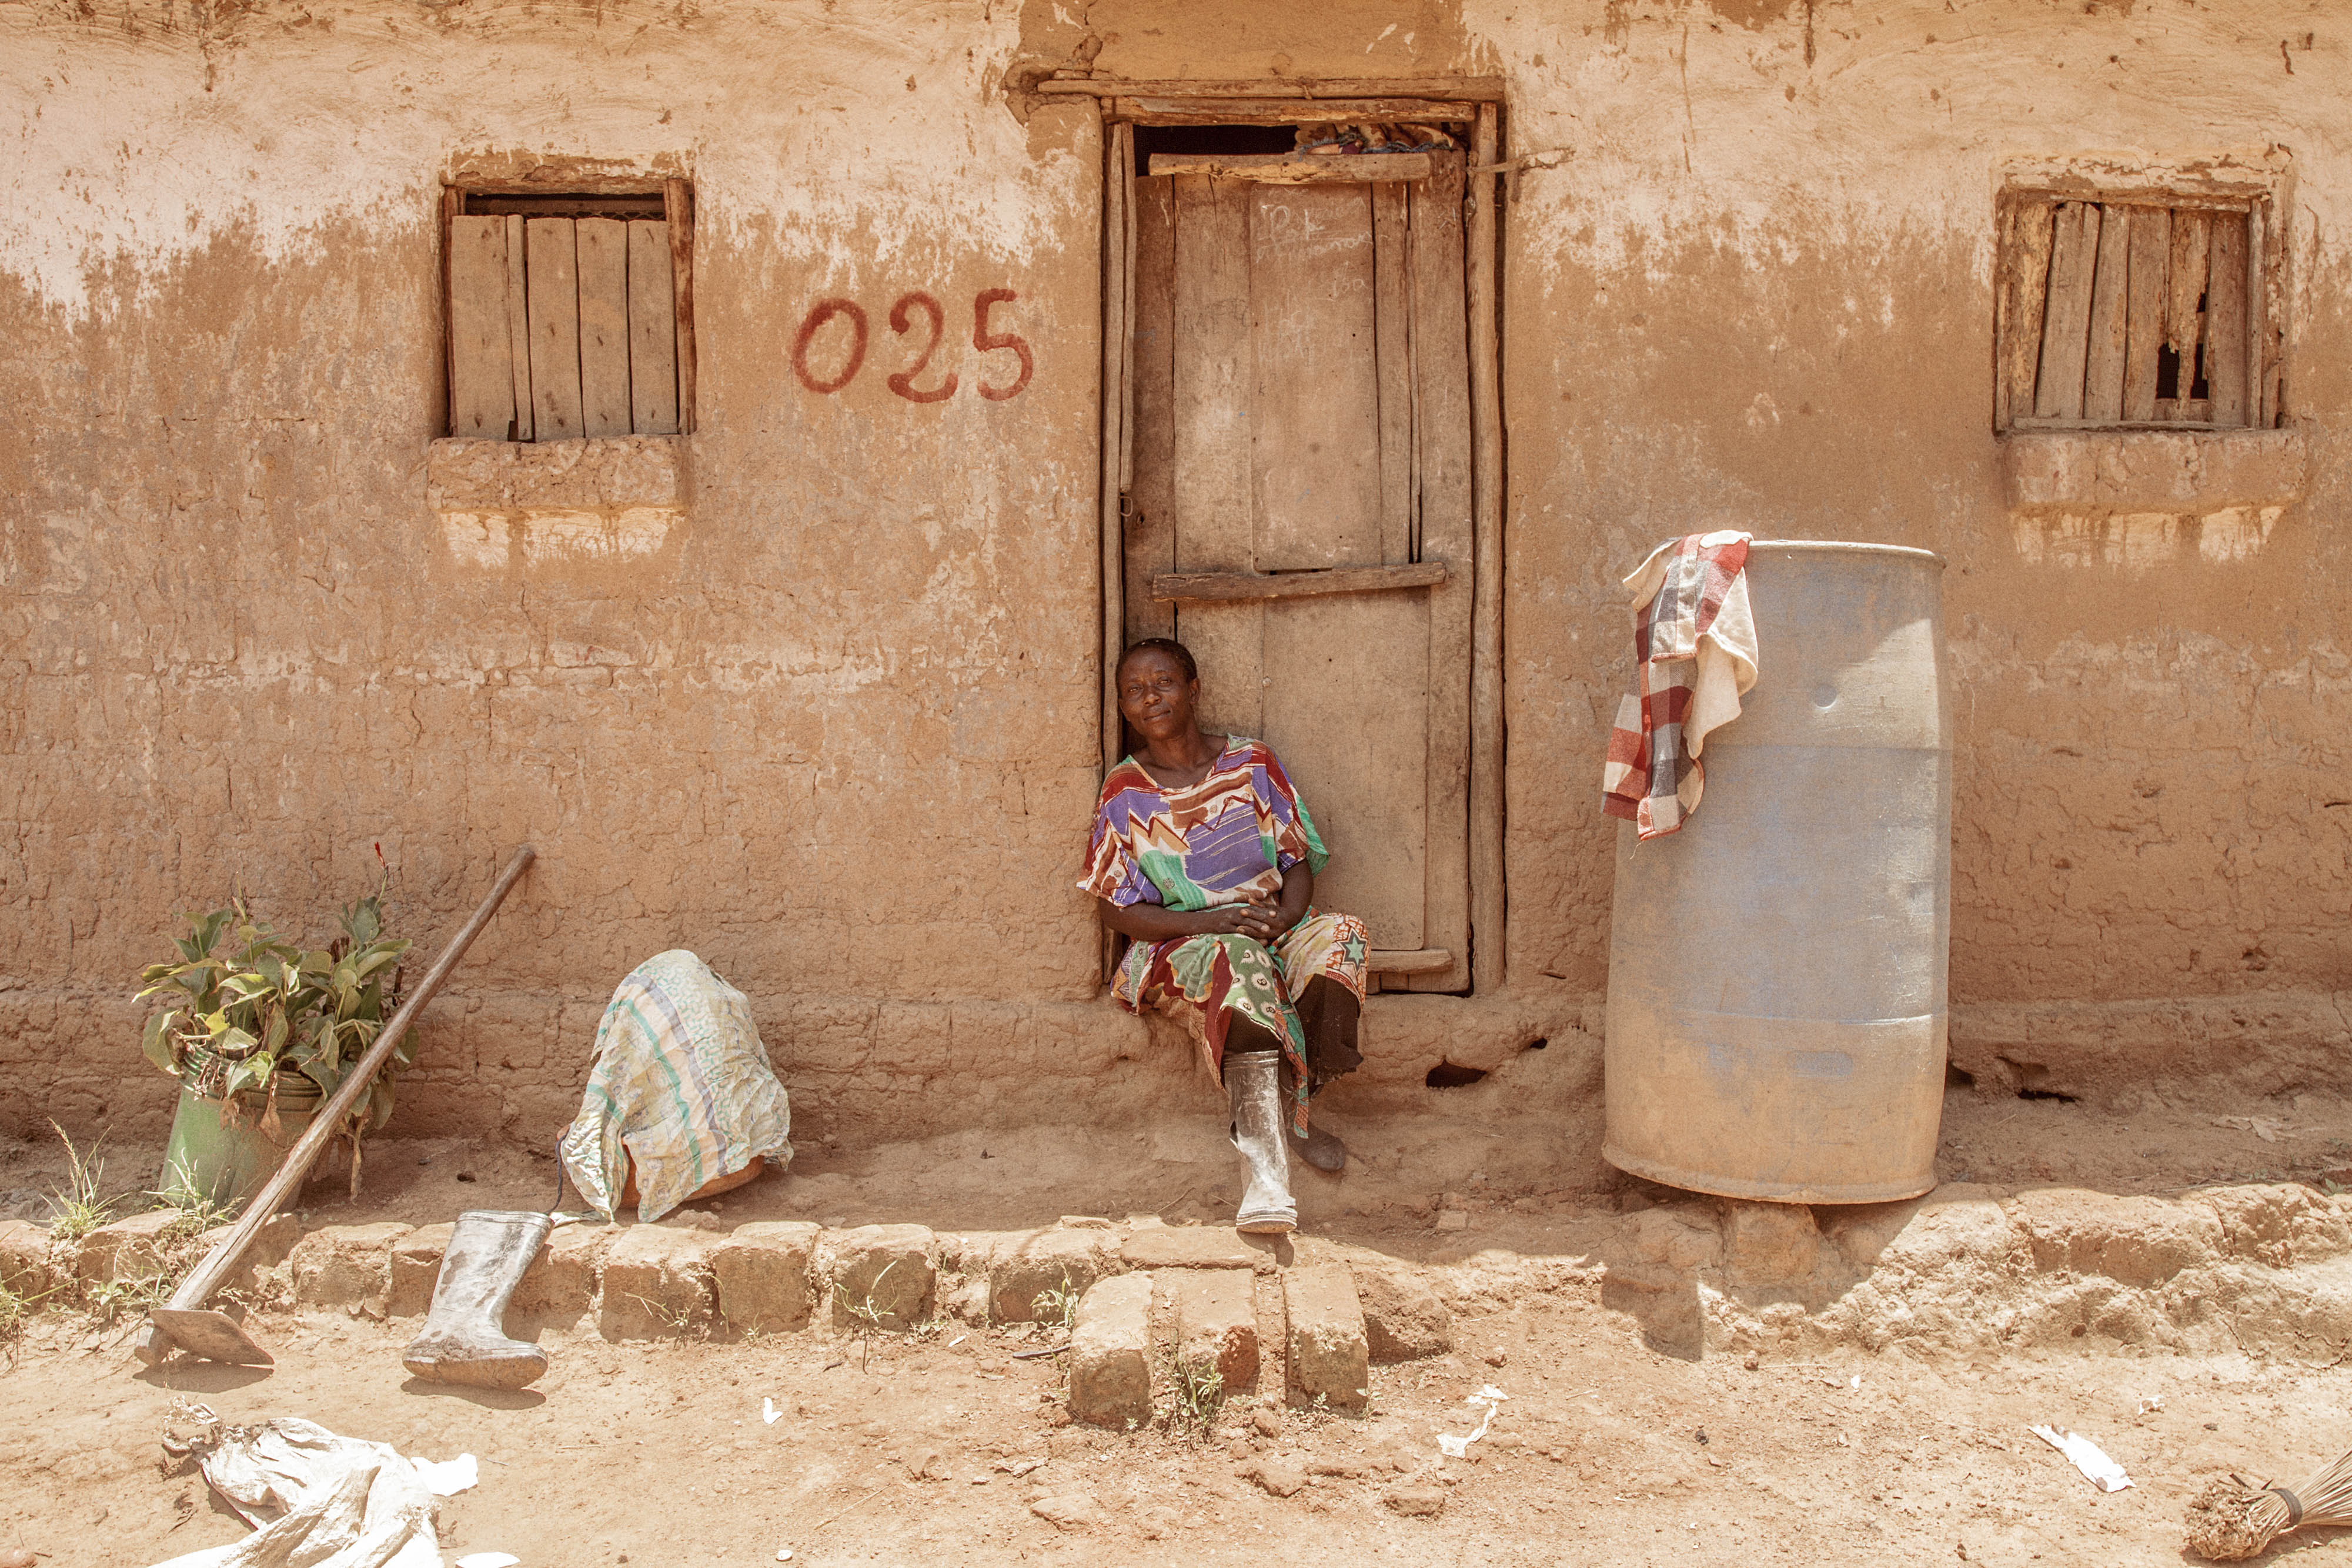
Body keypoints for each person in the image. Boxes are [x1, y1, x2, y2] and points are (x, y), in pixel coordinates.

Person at [1080, 637, 1370, 1233]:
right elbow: (1115, 909)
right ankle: (1266, 1175)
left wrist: (1287, 919)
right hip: (1179, 943)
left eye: (1162, 683)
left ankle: (1297, 1107)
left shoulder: (1252, 764)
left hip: (1266, 926)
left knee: (1340, 936)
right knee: (1238, 965)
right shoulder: (1124, 792)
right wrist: (1207, 923)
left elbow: (1295, 858)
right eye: (1133, 691)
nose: (1148, 698)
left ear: (1193, 688)